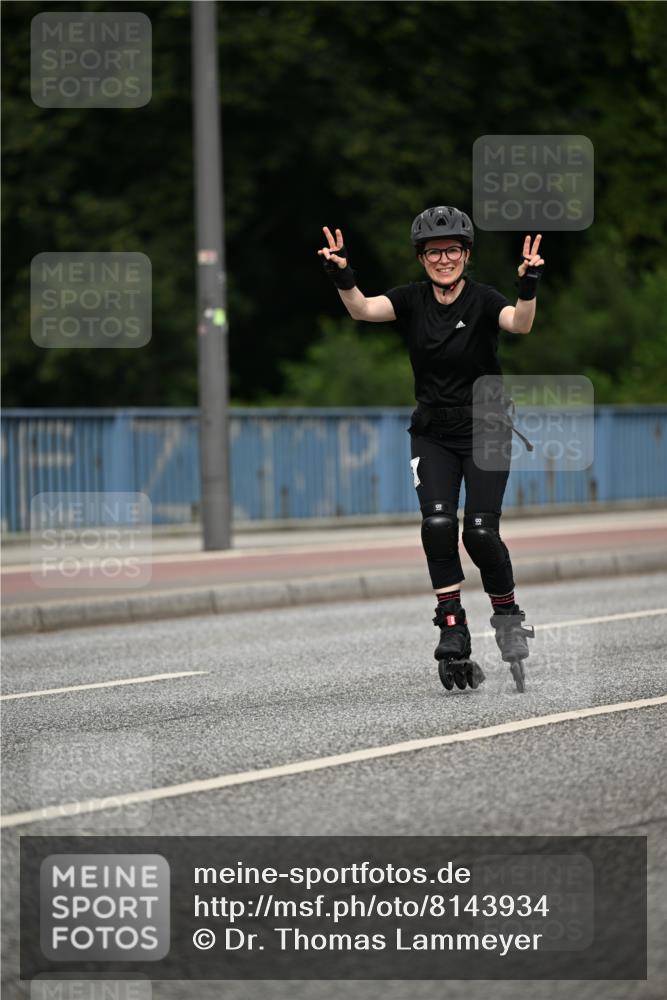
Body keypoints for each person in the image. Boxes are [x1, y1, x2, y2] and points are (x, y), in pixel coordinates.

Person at [318, 205, 544, 687]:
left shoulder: (483, 299)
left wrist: (528, 285)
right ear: (422, 258)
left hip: (486, 429)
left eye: (452, 250)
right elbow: (363, 309)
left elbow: (519, 324)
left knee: (479, 533)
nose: (444, 259)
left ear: (466, 254)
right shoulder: (412, 299)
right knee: (438, 525)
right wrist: (342, 274)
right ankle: (452, 626)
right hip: (432, 433)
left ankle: (507, 615)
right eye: (434, 252)